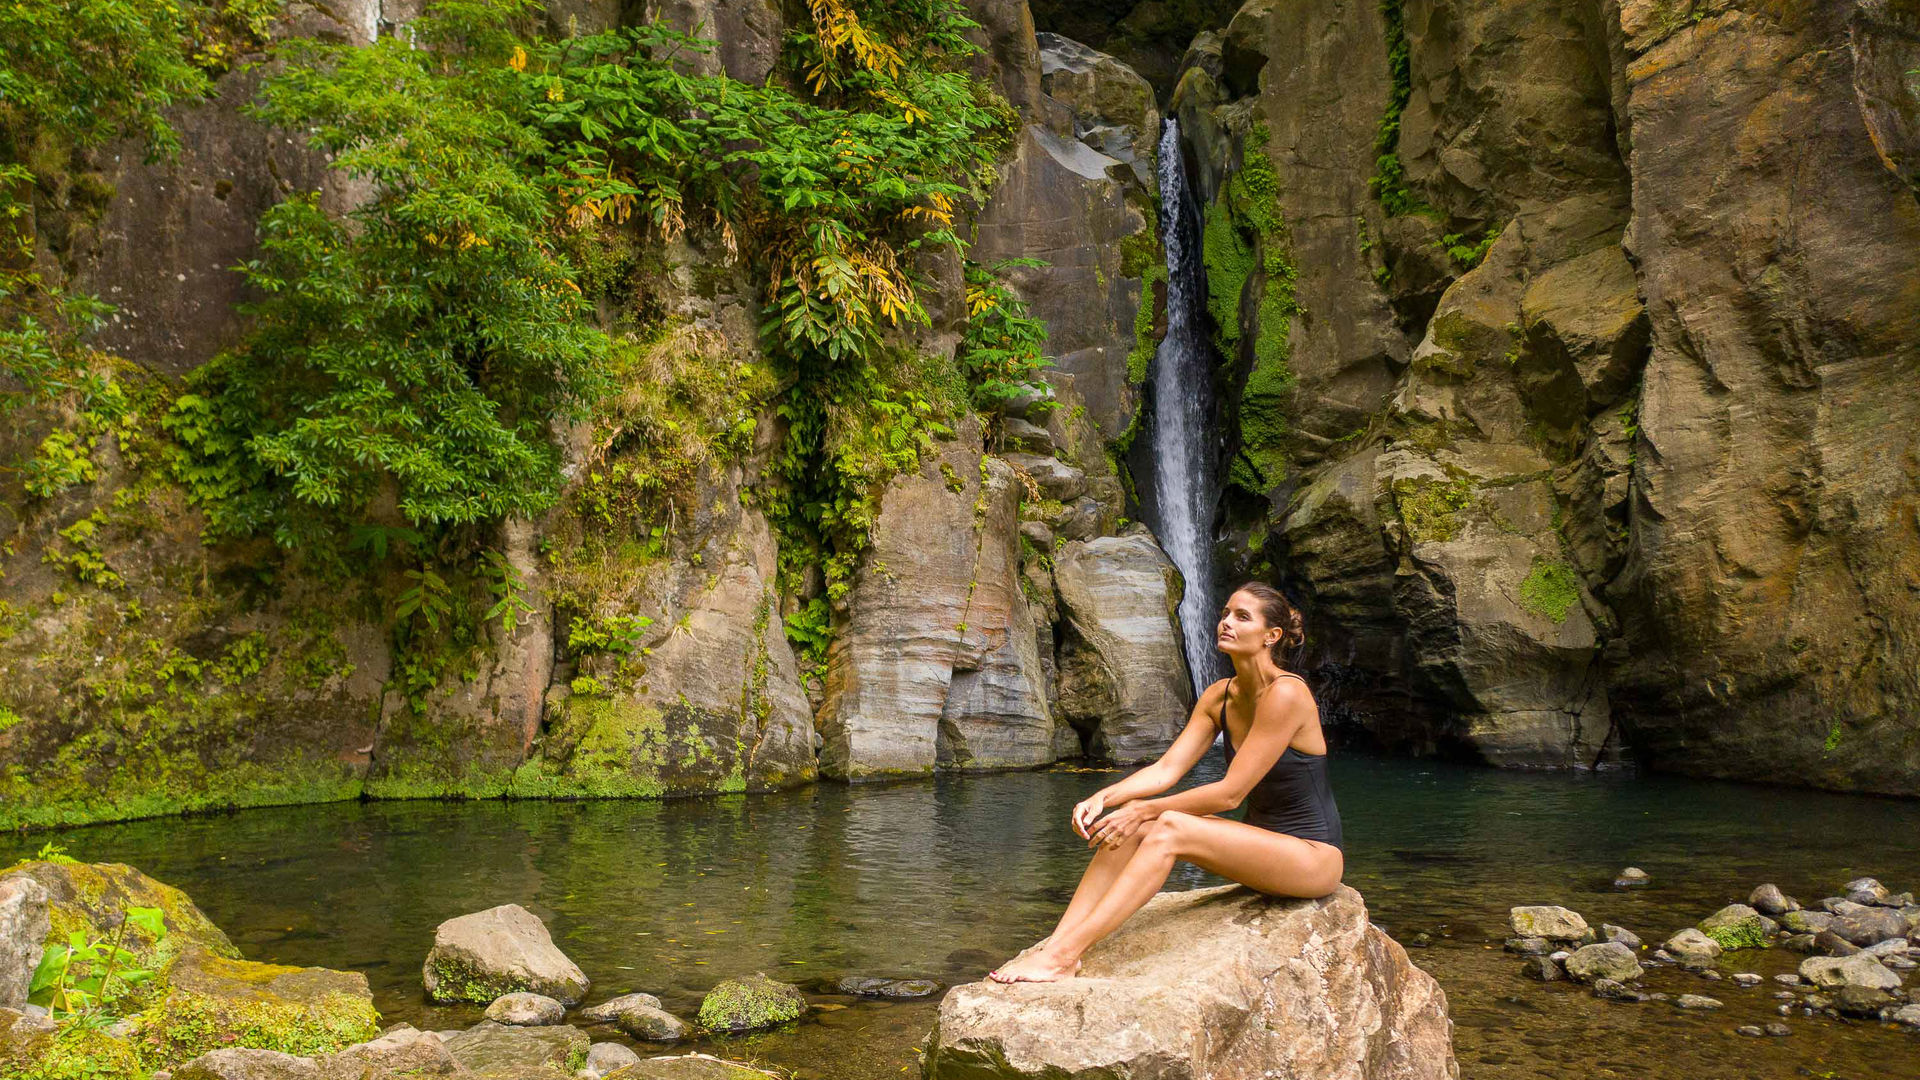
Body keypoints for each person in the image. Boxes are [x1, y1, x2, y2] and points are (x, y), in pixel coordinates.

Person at [987, 581, 1344, 983]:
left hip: (1312, 859)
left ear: (1271, 635)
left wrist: (1146, 809)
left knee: (1167, 825)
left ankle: (1062, 959)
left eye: (1243, 617)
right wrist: (1104, 797)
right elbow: (1167, 769)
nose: (1226, 622)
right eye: (1225, 613)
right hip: (1263, 851)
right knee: (1134, 825)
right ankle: (1058, 945)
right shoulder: (1219, 696)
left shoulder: (1287, 694)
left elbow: (1230, 793)